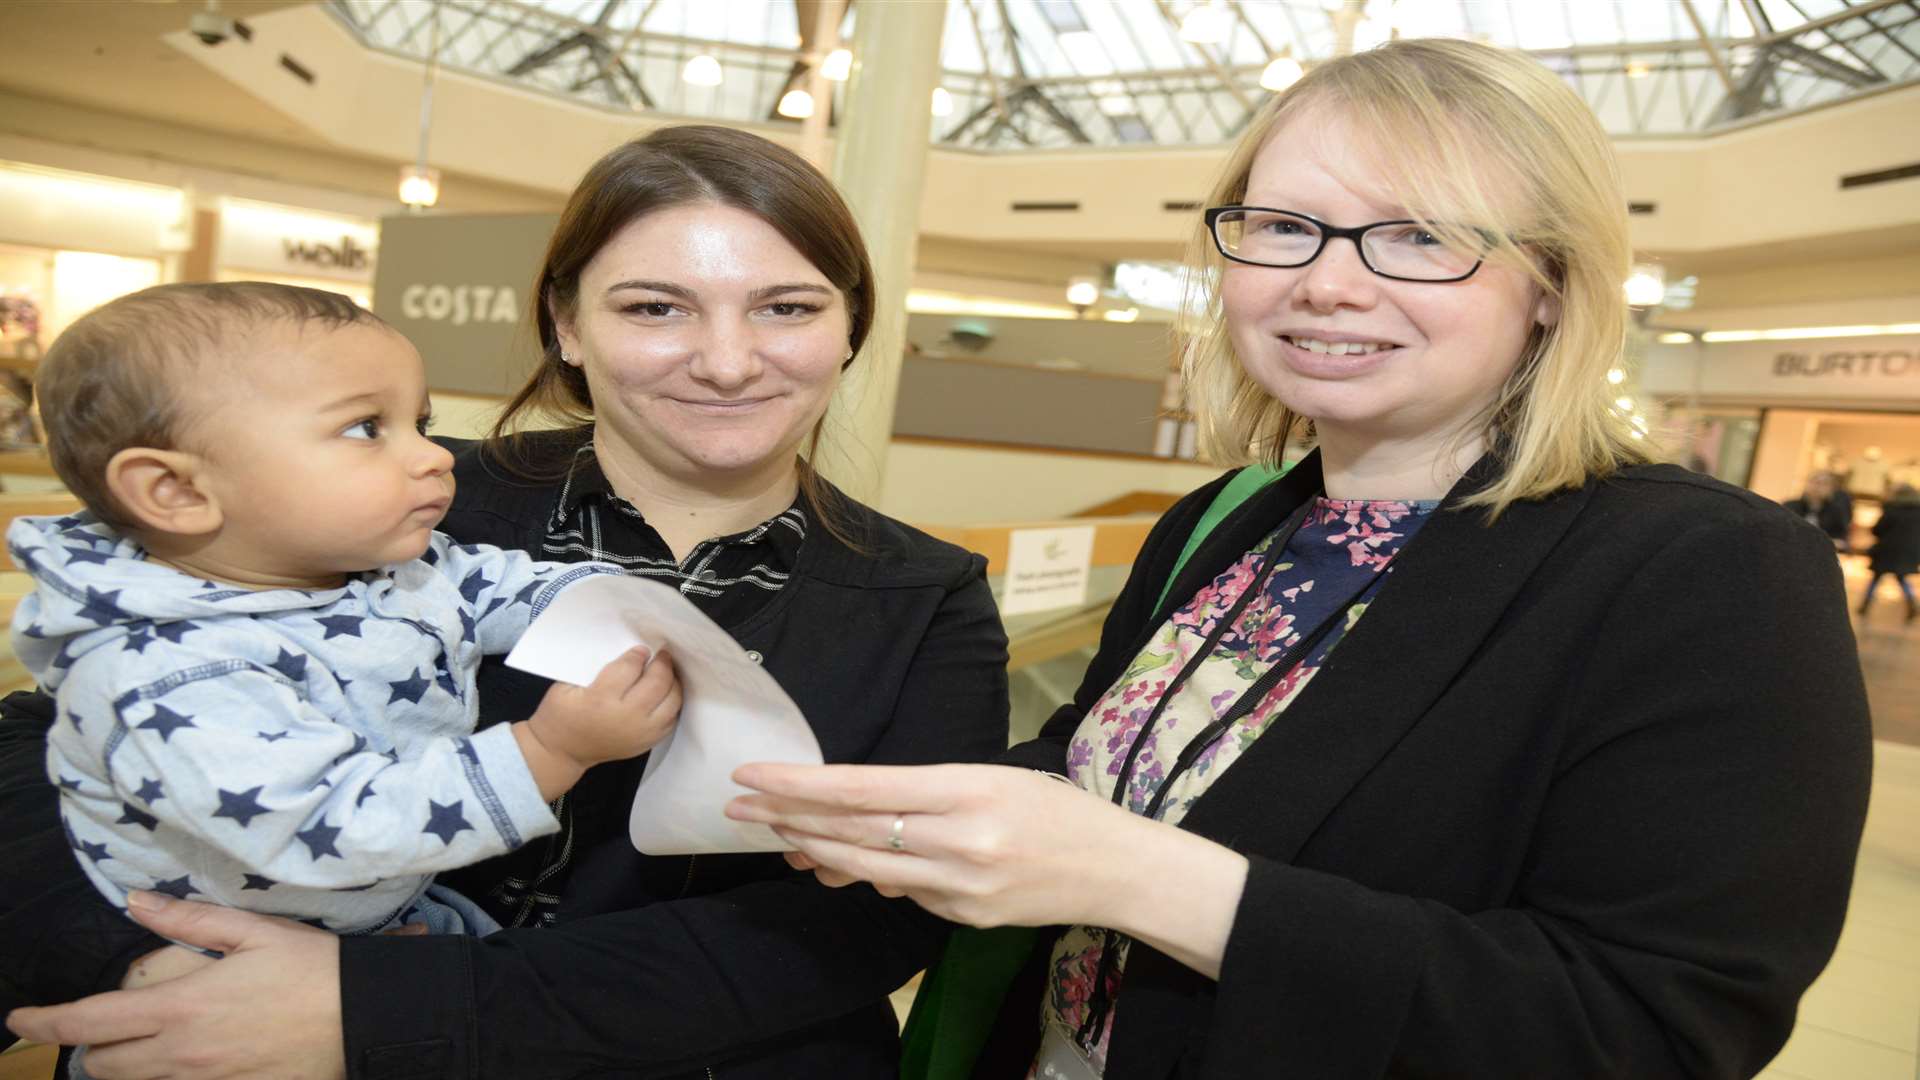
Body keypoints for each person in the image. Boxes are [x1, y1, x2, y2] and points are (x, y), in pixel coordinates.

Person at [725, 39, 1873, 1079]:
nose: (1326, 280)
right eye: (1284, 227)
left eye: (1419, 234)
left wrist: (1140, 878)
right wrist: (884, 805)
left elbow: (1651, 1028)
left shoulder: (1710, 572)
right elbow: (1101, 761)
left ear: (1552, 285)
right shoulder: (1228, 519)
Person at [2, 125, 1010, 1079]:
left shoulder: (924, 596)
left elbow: (877, 915)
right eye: (654, 308)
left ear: (850, 330)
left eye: (787, 307)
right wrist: (162, 960)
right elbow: (51, 751)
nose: (729, 360)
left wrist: (386, 1008)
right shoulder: (362, 506)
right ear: (567, 324)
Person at [14, 281, 677, 942]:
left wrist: (613, 601)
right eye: (366, 429)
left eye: (416, 425)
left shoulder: (372, 564)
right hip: (231, 964)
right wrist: (550, 749)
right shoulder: (163, 675)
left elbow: (491, 584)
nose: (437, 454)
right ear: (177, 491)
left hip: (391, 910)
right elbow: (336, 824)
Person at [1861, 483, 1920, 621]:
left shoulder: (1892, 509)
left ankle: (1865, 604)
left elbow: (1877, 530)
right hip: (1908, 552)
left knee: (1876, 579)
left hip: (1887, 551)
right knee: (1902, 578)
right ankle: (1912, 603)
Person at [1785, 470, 1854, 551]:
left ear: (1831, 489)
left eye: (1824, 483)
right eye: (1815, 482)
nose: (1818, 487)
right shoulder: (1790, 506)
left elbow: (1841, 540)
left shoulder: (1836, 512)